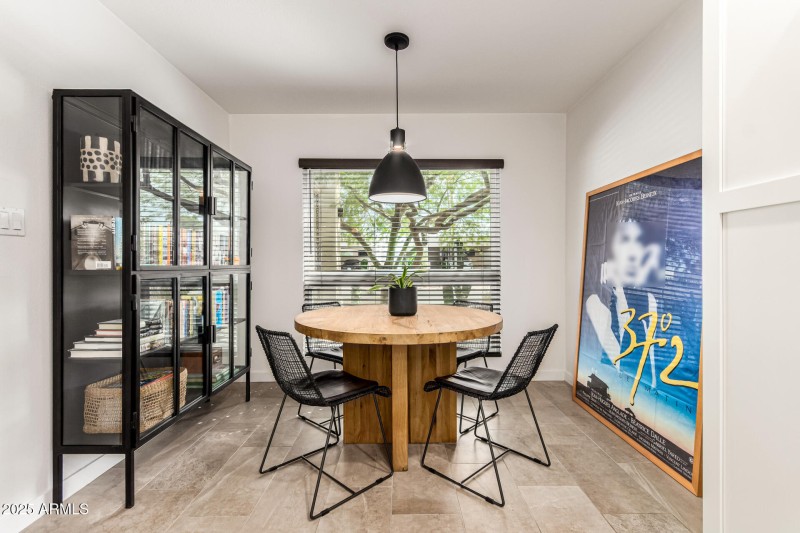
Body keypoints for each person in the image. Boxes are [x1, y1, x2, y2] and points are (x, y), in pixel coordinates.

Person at [585, 217, 664, 397]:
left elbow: (648, 355)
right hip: (616, 388)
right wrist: (618, 291)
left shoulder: (649, 299)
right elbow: (619, 359)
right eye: (625, 241)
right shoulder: (596, 301)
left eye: (638, 242)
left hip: (643, 393)